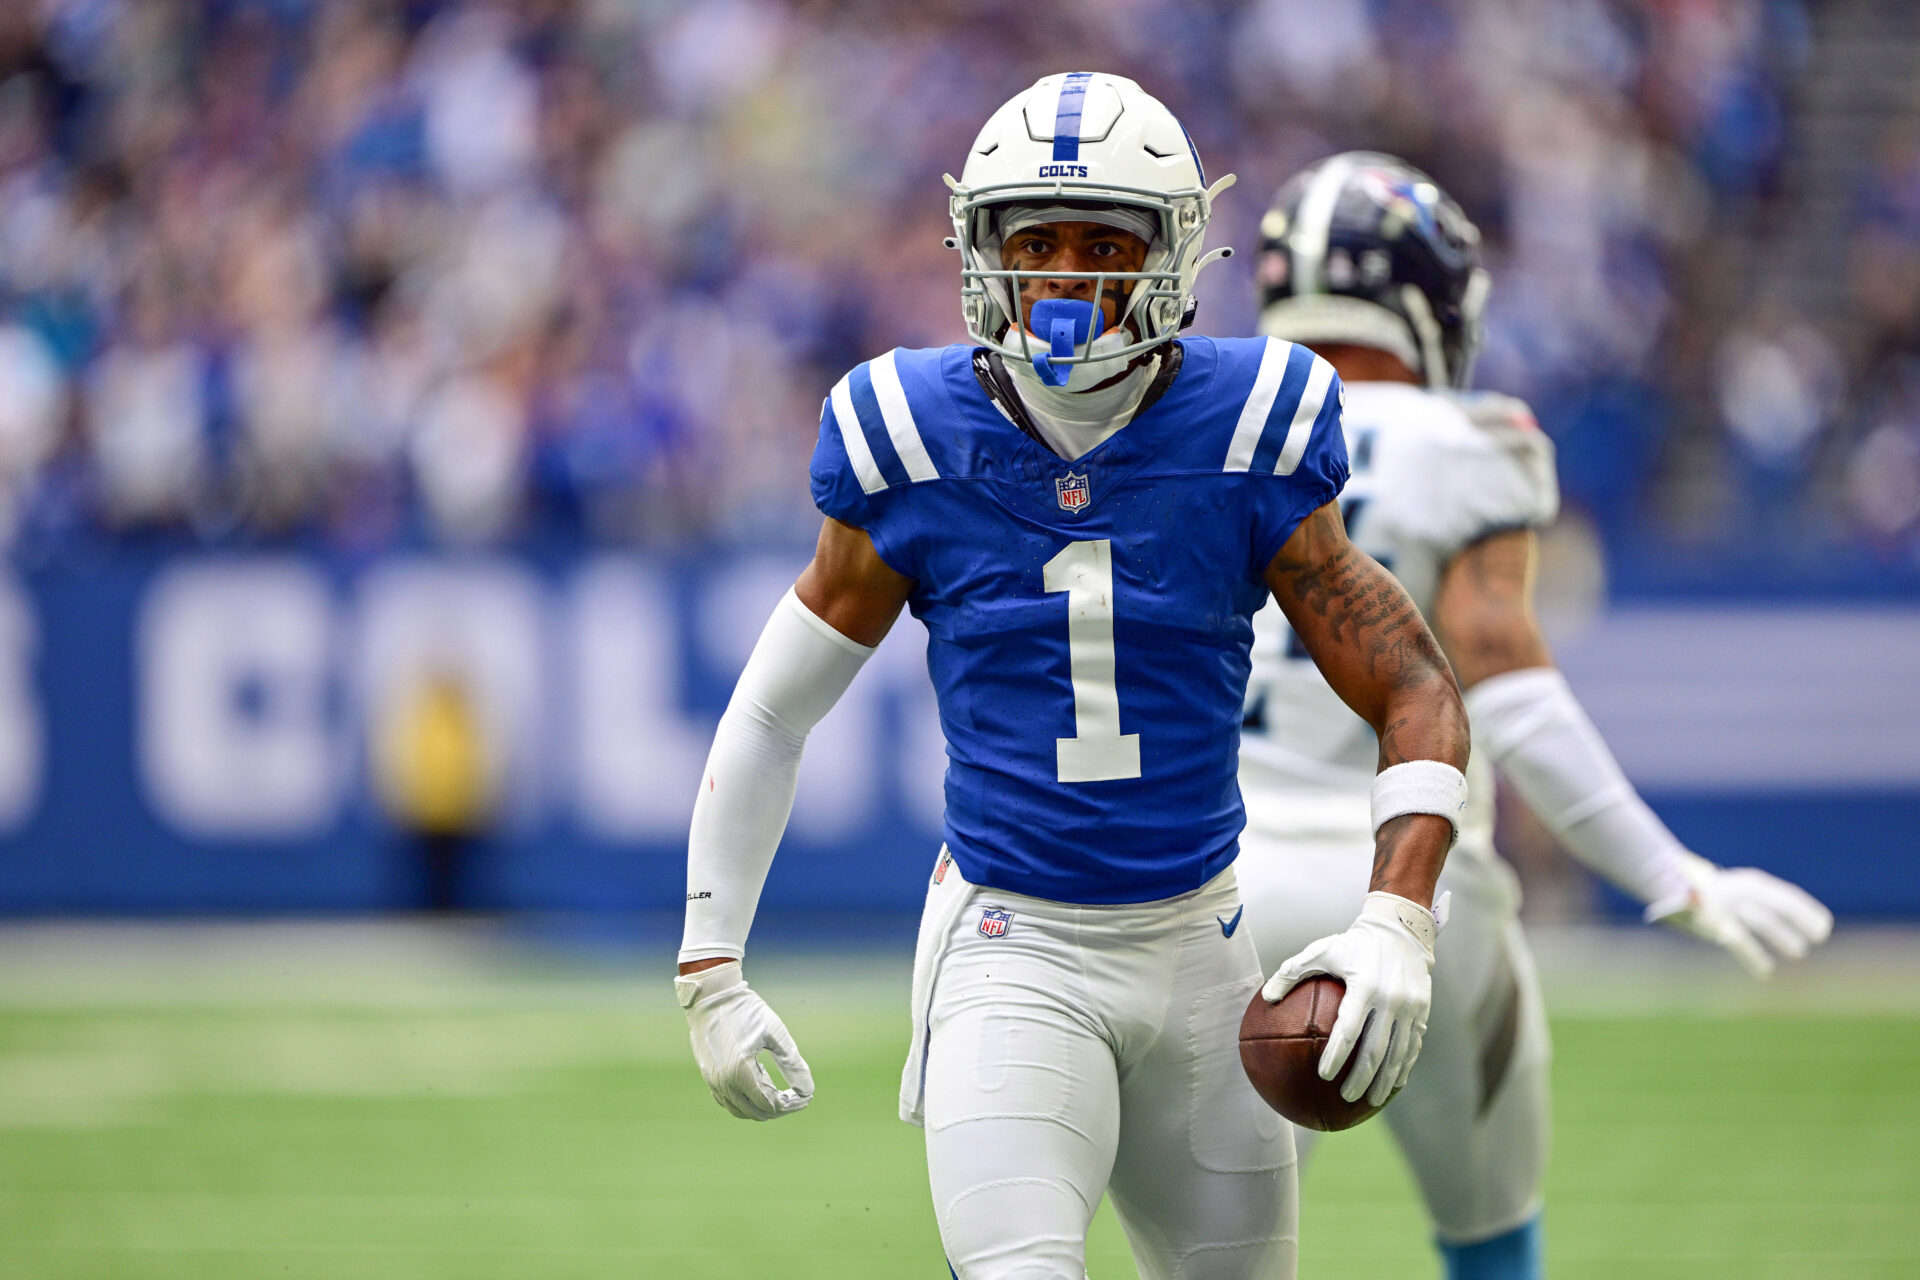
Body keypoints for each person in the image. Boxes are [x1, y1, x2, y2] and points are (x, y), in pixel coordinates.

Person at [675, 78, 1474, 1280]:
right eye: (1033, 242)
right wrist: (709, 966)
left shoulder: (1250, 421)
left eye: (1103, 243)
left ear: (1170, 255)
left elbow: (1415, 685)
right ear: (982, 249)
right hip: (1012, 945)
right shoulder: (910, 430)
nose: (1061, 276)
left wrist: (1399, 920)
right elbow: (774, 706)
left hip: (1204, 944)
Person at [1236, 152, 1836, 1280]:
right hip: (1406, 884)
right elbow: (1506, 675)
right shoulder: (1467, 440)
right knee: (1492, 1234)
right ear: (1424, 297)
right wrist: (1674, 874)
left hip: (1214, 881)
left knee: (1224, 1257)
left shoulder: (1212, 429)